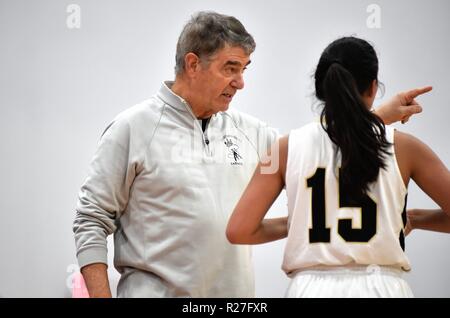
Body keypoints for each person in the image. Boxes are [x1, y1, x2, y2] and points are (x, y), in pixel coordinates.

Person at [73, 11, 430, 298]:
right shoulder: (132, 129)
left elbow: (319, 147)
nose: (241, 82)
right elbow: (91, 220)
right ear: (193, 64)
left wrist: (377, 116)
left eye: (244, 69)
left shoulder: (253, 133)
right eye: (230, 68)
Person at [226, 36, 450, 297]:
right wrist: (415, 219)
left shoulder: (282, 149)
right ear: (373, 87)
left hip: (309, 288)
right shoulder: (407, 148)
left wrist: (303, 221)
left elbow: (239, 230)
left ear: (322, 88)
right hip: (382, 287)